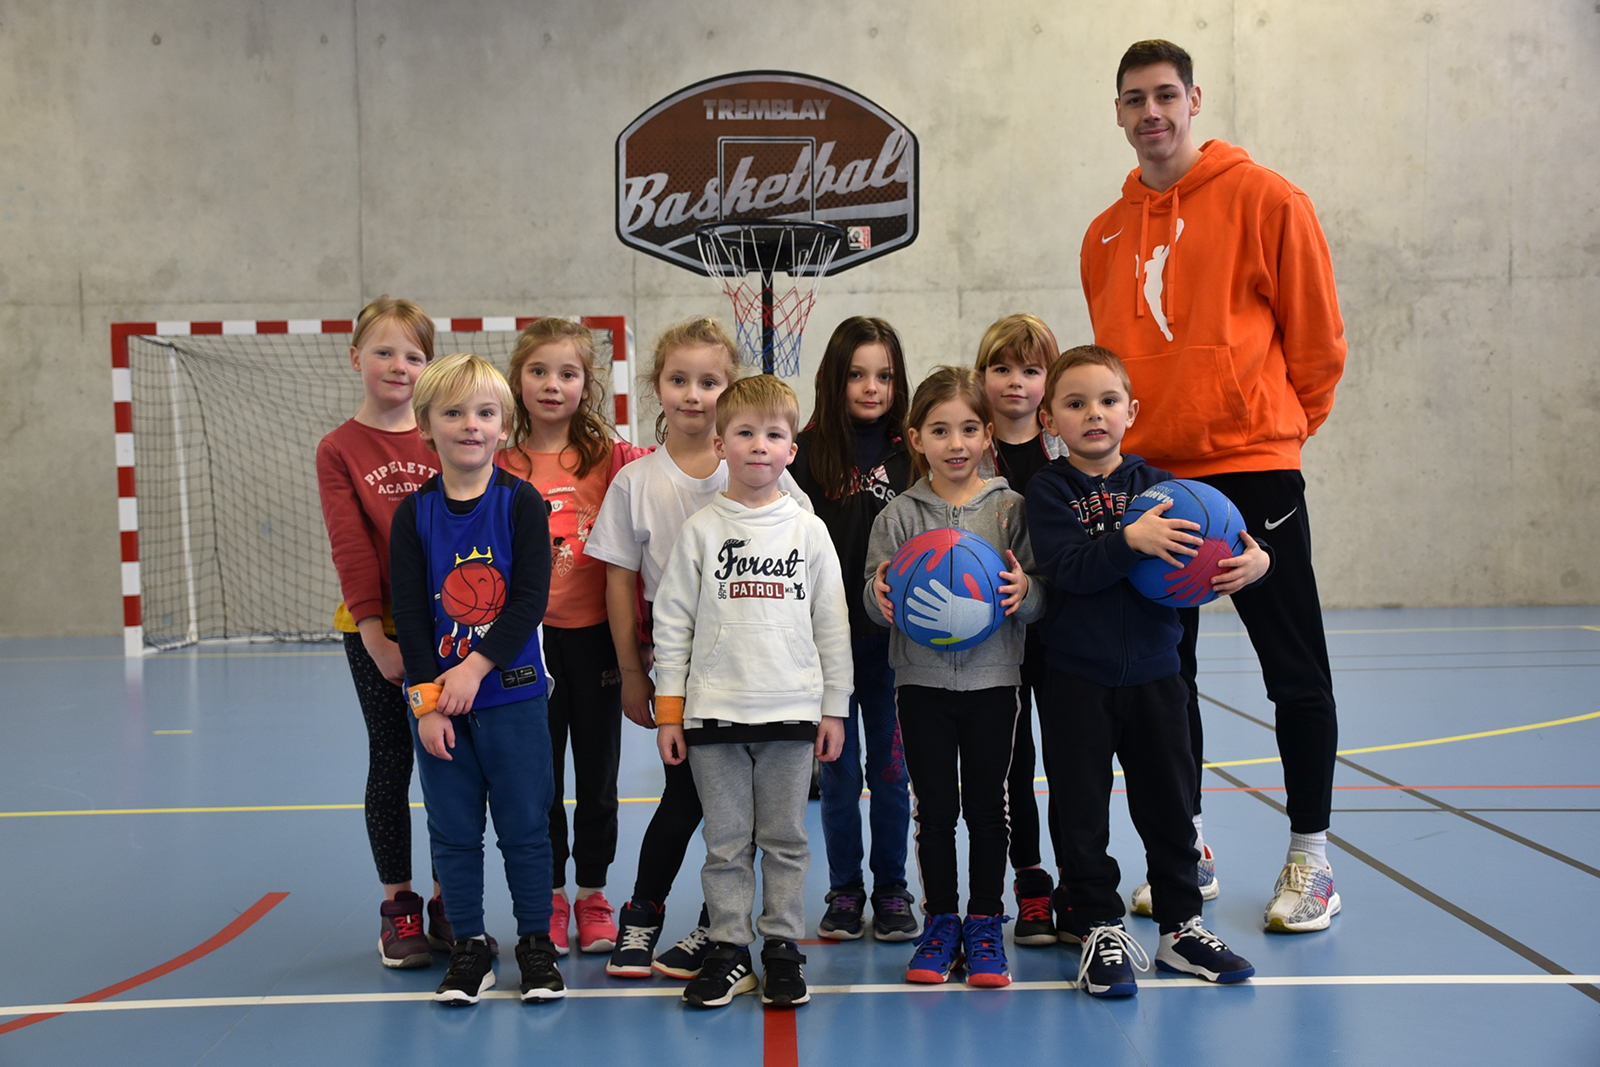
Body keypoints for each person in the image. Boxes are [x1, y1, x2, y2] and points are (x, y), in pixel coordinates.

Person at [1079, 38, 1348, 932]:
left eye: (1165, 95)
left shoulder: (1268, 198)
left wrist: (1273, 434)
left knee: (1293, 669)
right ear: (1118, 113)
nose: (1150, 113)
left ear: (1195, 99)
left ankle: (1311, 857)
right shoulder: (1104, 233)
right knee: (1165, 679)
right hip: (1153, 483)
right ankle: (1183, 845)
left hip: (1254, 469)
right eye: (1132, 100)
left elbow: (1317, 346)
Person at [1027, 345, 1266, 995]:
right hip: (1077, 676)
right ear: (1050, 419)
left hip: (1160, 675)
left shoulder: (1162, 487)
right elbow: (1069, 570)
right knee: (1080, 810)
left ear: (1131, 411)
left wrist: (1255, 561)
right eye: (1075, 403)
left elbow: (1223, 535)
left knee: (1168, 803)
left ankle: (1181, 926)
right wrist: (1126, 542)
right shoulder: (1049, 491)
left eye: (1107, 401)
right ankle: (1099, 923)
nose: (1093, 414)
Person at [585, 318, 813, 979]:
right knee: (688, 796)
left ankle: (716, 928)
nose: (693, 393)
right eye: (678, 379)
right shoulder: (637, 481)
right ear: (657, 385)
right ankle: (646, 917)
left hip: (762, 672)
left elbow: (803, 550)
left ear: (730, 386)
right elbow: (619, 579)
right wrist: (634, 673)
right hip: (688, 669)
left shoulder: (756, 464)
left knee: (742, 811)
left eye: (709, 380)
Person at [651, 374, 852, 1009]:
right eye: (745, 433)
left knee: (787, 840)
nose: (759, 445)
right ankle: (729, 950)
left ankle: (782, 947)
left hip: (792, 714)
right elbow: (672, 624)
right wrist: (670, 712)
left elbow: (832, 624)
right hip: (714, 717)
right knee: (726, 843)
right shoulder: (702, 531)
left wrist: (833, 709)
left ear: (793, 449)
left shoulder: (809, 532)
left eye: (774, 434)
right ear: (720, 444)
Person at [389, 352, 564, 1005]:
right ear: (427, 426)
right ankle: (468, 946)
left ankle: (536, 945)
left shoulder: (521, 504)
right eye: (454, 412)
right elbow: (408, 615)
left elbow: (526, 601)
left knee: (525, 825)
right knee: (454, 830)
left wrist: (475, 666)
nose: (470, 424)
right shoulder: (414, 516)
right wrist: (427, 702)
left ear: (503, 424)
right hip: (441, 709)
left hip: (511, 696)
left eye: (485, 413)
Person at [864, 366, 1044, 989]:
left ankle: (986, 920)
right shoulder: (900, 515)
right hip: (920, 683)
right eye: (940, 430)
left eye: (969, 428)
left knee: (989, 808)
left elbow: (1038, 590)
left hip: (995, 680)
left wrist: (1028, 592)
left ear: (988, 433)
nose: (956, 442)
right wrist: (878, 597)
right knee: (936, 809)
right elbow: (872, 588)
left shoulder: (1010, 509)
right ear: (916, 439)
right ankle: (942, 921)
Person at [498, 318, 648, 957]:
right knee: (538, 778)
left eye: (567, 373)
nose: (552, 384)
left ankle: (593, 893)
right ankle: (551, 895)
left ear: (587, 384)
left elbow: (681, 472)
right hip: (525, 643)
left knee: (599, 774)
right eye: (539, 371)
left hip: (595, 640)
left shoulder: (610, 457)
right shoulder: (499, 457)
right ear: (518, 379)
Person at [315, 296, 456, 969]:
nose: (399, 366)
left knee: (452, 760)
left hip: (451, 625)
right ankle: (398, 903)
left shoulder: (443, 434)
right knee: (393, 757)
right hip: (381, 627)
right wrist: (373, 632)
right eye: (384, 351)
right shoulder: (339, 448)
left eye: (413, 355)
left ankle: (446, 897)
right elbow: (350, 545)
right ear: (355, 359)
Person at [788, 317, 916, 944]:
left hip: (897, 646)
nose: (871, 387)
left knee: (892, 772)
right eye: (858, 374)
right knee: (838, 774)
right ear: (834, 379)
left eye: (884, 375)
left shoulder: (912, 452)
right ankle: (845, 889)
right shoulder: (806, 454)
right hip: (827, 647)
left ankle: (892, 888)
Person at [973, 313, 1063, 946]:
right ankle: (1029, 884)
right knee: (1013, 763)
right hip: (994, 639)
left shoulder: (1067, 455)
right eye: (1001, 368)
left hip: (1061, 637)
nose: (1015, 382)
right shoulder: (968, 454)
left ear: (1048, 382)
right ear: (981, 377)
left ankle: (1081, 884)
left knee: (1068, 761)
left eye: (1031, 370)